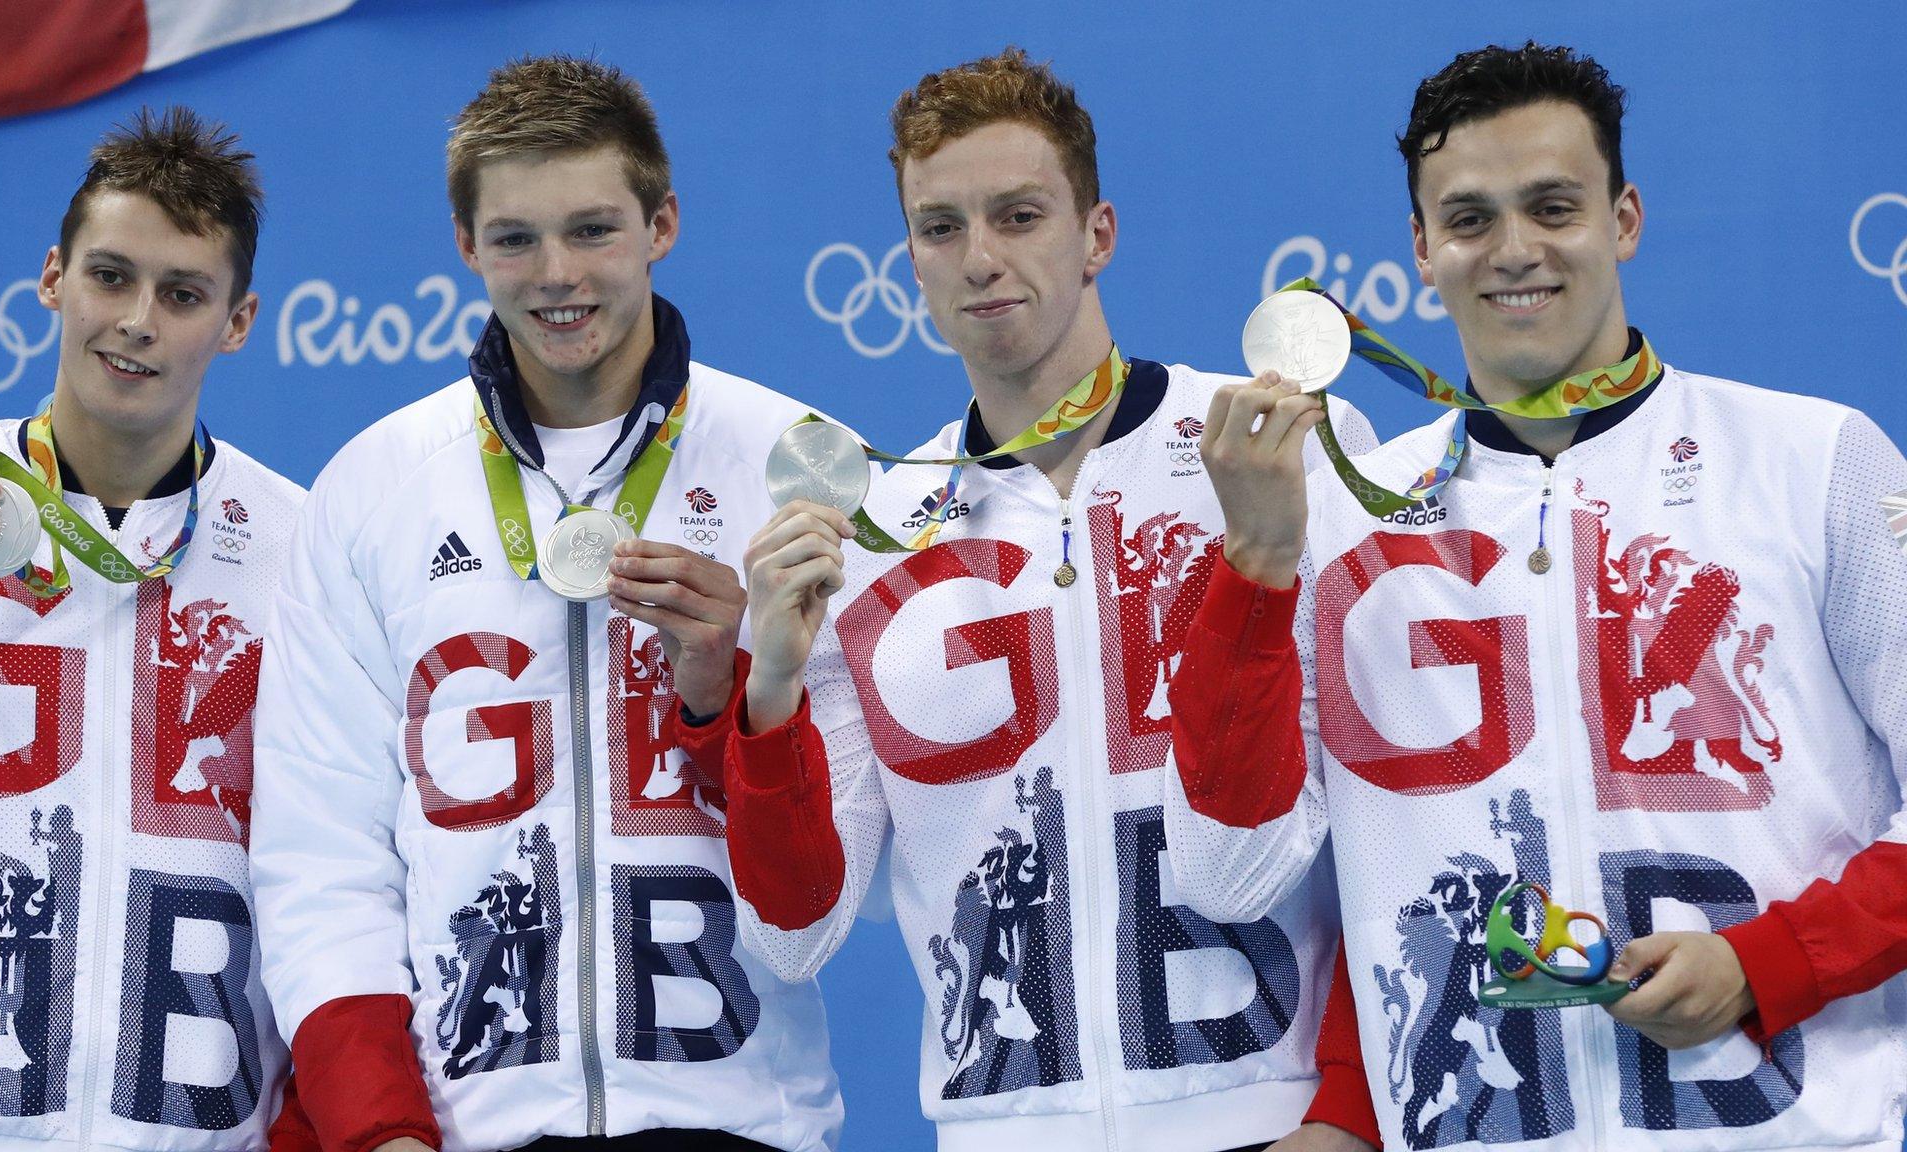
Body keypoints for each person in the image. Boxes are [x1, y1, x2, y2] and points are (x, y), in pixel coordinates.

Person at [1167, 41, 1907, 1152]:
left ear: (1623, 219)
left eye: (1552, 207)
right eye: (1468, 219)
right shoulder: (1340, 516)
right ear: (1419, 248)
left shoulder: (1813, 461)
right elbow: (1241, 873)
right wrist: (1255, 568)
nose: (1513, 251)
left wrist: (1765, 963)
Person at [718, 48, 1378, 1152]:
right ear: (910, 264)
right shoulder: (875, 534)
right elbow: (793, 937)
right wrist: (771, 692)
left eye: (1018, 215)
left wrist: (1348, 1117)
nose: (980, 258)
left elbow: (1387, 822)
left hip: (1268, 1117)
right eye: (940, 229)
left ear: (1096, 234)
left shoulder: (1280, 450)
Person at [250, 55, 843, 1152]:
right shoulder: (373, 486)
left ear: (661, 223)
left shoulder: (792, 466)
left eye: (593, 230)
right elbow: (319, 859)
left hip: (740, 1122)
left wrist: (738, 692)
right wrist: (380, 1127)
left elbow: (815, 900)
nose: (555, 273)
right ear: (465, 246)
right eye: (515, 238)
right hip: (467, 1128)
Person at [0, 107, 299, 1149]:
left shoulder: (308, 546)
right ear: (54, 276)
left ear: (237, 321)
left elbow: (345, 880)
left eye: (183, 294)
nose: (138, 320)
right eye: (111, 276)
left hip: (199, 1133)